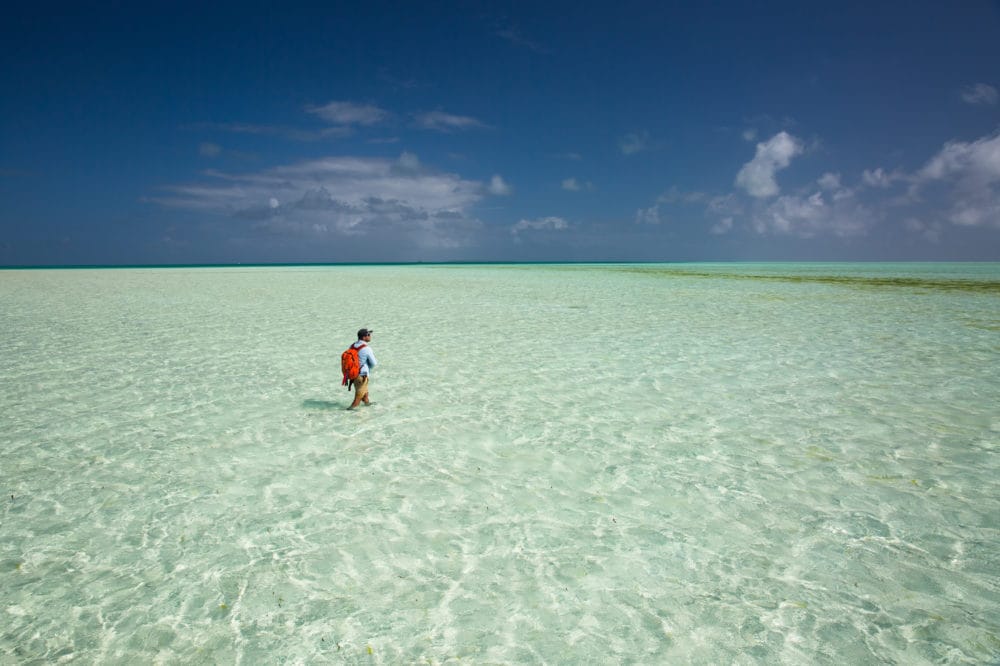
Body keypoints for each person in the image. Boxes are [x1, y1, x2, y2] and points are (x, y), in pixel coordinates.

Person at [347, 328, 377, 410]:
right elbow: (374, 363)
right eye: (368, 335)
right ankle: (348, 411)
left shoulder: (352, 345)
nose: (370, 336)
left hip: (354, 375)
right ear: (364, 337)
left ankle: (367, 404)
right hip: (362, 375)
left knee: (365, 394)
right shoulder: (367, 348)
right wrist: (368, 369)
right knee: (357, 399)